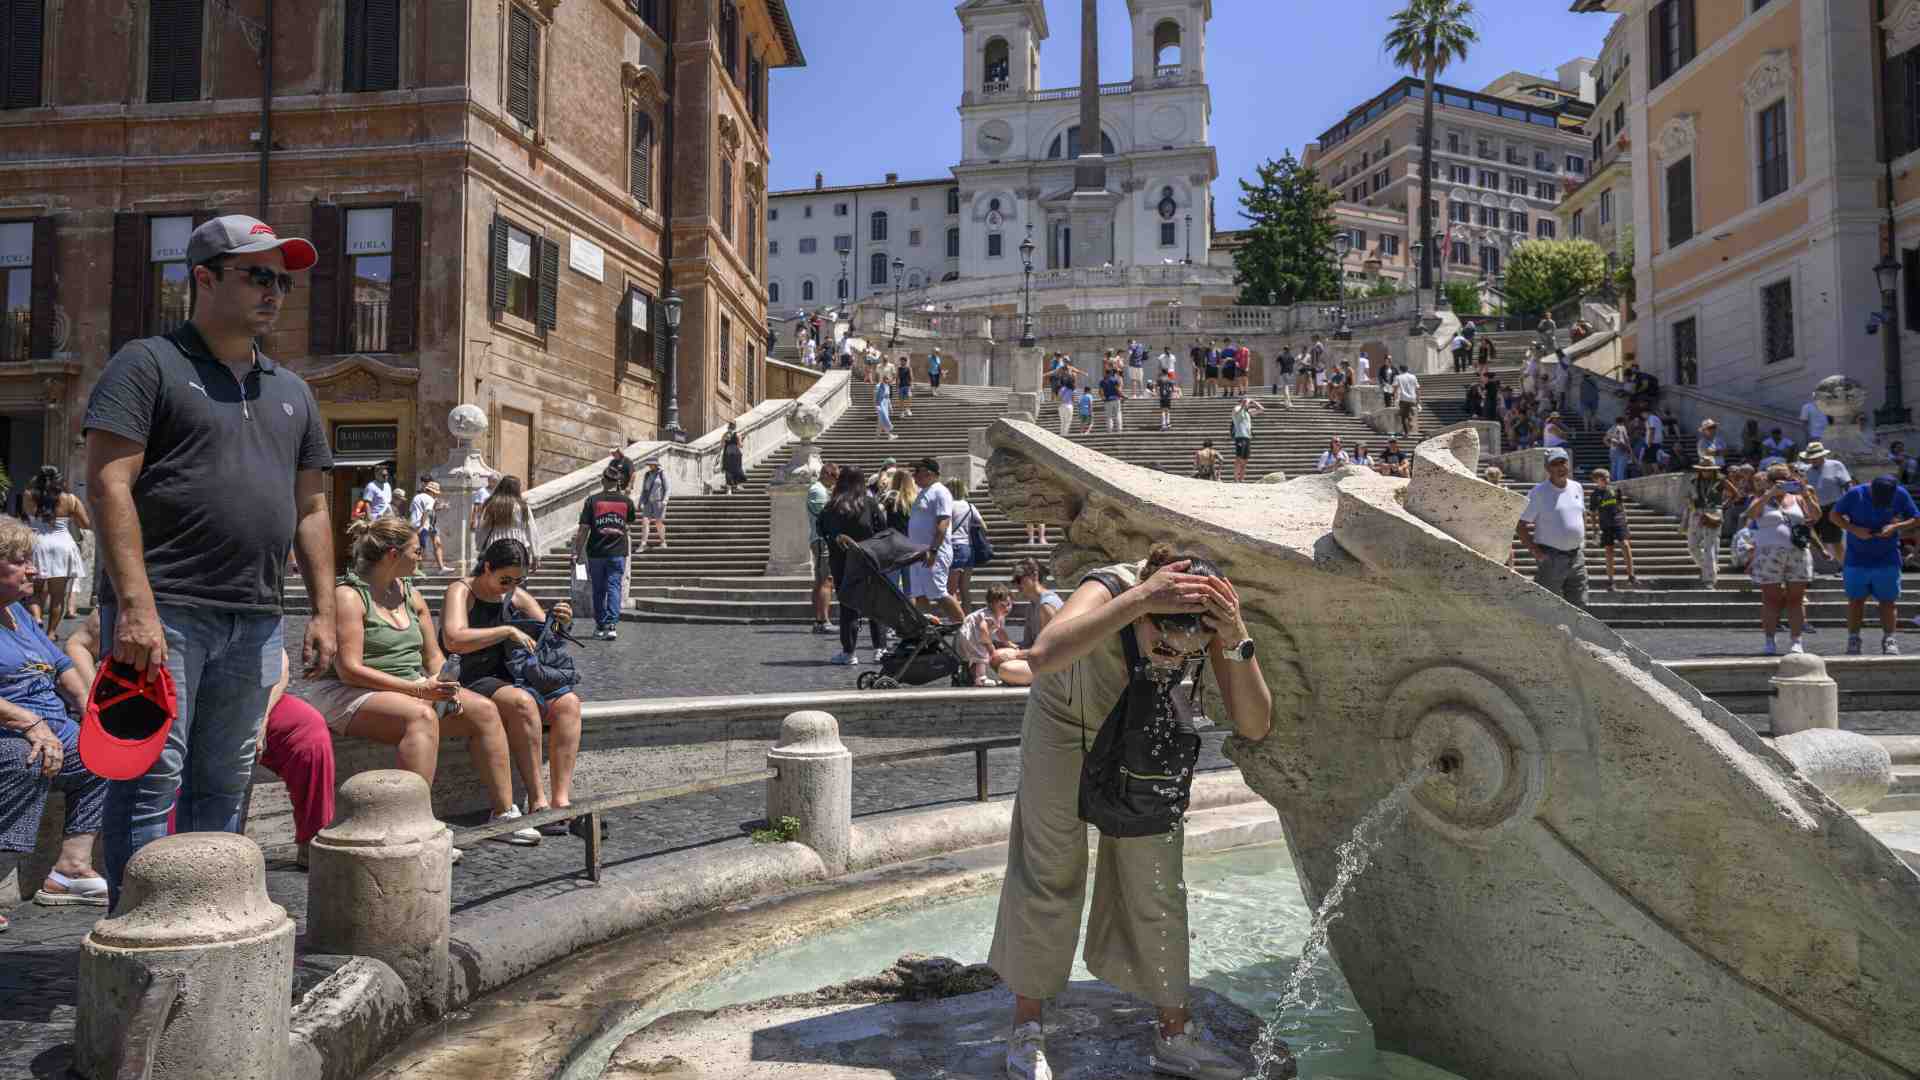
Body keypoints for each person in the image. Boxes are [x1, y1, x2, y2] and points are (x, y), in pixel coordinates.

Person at [82, 213, 336, 906]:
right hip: (165, 614)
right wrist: (134, 605)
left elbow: (312, 509)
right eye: (257, 276)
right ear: (202, 278)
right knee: (149, 782)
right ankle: (140, 929)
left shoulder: (294, 390)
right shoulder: (148, 364)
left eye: (281, 281)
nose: (274, 292)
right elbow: (108, 483)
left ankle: (205, 925)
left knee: (226, 784)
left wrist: (323, 610)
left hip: (255, 616)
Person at [991, 545, 1271, 1080]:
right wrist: (1139, 599)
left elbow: (1255, 723)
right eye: (1161, 643)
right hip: (1063, 722)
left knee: (1158, 878)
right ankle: (1027, 1028)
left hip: (1142, 732)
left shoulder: (1209, 615)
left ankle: (1175, 1033)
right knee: (1050, 868)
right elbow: (1044, 654)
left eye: (1183, 652)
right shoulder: (1116, 586)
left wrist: (1235, 637)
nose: (1171, 657)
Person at [302, 519, 531, 844]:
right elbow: (349, 670)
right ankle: (416, 828)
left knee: (484, 710)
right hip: (350, 692)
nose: (421, 557)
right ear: (394, 554)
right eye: (416, 551)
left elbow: (434, 657)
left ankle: (504, 813)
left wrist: (446, 683)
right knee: (420, 717)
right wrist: (419, 690)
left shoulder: (412, 595)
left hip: (410, 687)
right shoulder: (349, 596)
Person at [0, 518, 108, 921]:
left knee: (102, 754)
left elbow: (61, 662)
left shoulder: (17, 613)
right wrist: (30, 723)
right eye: (20, 561)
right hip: (12, 734)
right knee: (23, 760)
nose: (34, 569)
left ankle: (70, 870)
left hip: (52, 730)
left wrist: (87, 708)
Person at [442, 538, 587, 834]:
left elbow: (549, 636)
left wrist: (561, 623)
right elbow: (453, 638)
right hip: (473, 675)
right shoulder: (462, 590)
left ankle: (561, 800)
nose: (509, 587)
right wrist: (506, 630)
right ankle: (537, 801)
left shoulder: (516, 595)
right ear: (486, 568)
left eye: (518, 581)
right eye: (504, 579)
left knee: (569, 704)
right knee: (522, 702)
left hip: (514, 675)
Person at [1832, 476, 1919, 655]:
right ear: (1870, 488)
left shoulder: (1900, 494)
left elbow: (1916, 518)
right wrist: (1855, 529)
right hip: (1856, 557)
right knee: (1856, 601)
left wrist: (1895, 528)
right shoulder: (1855, 493)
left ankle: (1889, 638)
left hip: (1887, 557)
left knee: (1888, 602)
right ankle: (1854, 638)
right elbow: (1834, 515)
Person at [818, 466, 889, 666]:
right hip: (869, 559)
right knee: (875, 605)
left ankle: (849, 652)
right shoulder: (869, 503)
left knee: (848, 605)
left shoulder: (831, 506)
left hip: (841, 562)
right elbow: (882, 529)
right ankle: (880, 649)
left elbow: (821, 530)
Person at [1747, 464, 1820, 655]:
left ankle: (1796, 641)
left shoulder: (1798, 497)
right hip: (1768, 554)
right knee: (1771, 599)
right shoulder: (1761, 498)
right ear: (1769, 482)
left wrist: (1805, 493)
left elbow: (1816, 516)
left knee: (1796, 599)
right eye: (1779, 480)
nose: (1784, 483)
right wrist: (1769, 494)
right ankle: (1770, 640)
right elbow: (1751, 515)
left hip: (1797, 552)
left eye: (1787, 479)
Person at [21, 466, 90, 635]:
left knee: (34, 591)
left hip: (38, 544)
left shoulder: (29, 495)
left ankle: (37, 618)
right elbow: (85, 524)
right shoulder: (70, 499)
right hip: (62, 545)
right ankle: (51, 633)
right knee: (57, 596)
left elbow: (26, 517)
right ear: (60, 481)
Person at [1518, 448, 1589, 610]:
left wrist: (1581, 541)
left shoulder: (1577, 487)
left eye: (1563, 462)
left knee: (1580, 605)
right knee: (1547, 606)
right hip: (1551, 557)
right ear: (1547, 468)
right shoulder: (1538, 493)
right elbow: (1520, 525)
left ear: (1568, 464)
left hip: (1576, 557)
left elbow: (1581, 514)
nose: (1560, 467)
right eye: (1555, 464)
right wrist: (1536, 553)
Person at [573, 467, 636, 640]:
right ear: (618, 482)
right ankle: (612, 625)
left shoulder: (592, 501)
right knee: (614, 586)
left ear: (602, 481)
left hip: (596, 552)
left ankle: (600, 626)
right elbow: (628, 525)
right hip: (617, 552)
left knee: (598, 589)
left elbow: (583, 530)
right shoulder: (626, 502)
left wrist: (576, 552)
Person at [903, 459, 967, 625]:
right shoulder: (924, 491)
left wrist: (933, 550)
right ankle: (926, 633)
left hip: (932, 553)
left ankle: (964, 629)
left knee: (939, 592)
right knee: (920, 594)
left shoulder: (940, 492)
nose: (913, 475)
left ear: (929, 473)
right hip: (918, 553)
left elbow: (943, 523)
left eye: (917, 471)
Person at [1585, 468, 1638, 591]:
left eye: (1608, 477)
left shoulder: (1615, 490)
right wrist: (1595, 531)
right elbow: (1592, 513)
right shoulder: (1595, 495)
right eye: (1603, 478)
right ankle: (1610, 581)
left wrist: (1626, 521)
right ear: (1596, 480)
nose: (1607, 480)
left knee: (1625, 545)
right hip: (1606, 525)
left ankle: (1631, 575)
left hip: (1619, 522)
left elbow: (1621, 506)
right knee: (1609, 550)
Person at [1802, 442, 1853, 563]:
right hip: (1812, 509)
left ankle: (1843, 567)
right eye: (1811, 458)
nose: (1813, 460)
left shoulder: (1836, 465)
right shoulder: (1805, 470)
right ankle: (1813, 568)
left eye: (1815, 457)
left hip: (1833, 507)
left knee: (1836, 540)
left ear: (1822, 455)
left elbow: (1848, 485)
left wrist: (1849, 505)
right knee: (1812, 539)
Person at [956, 585, 1017, 687]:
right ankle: (981, 678)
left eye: (1009, 604)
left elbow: (1000, 631)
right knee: (982, 654)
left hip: (968, 634)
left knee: (974, 656)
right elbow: (983, 629)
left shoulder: (999, 615)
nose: (1007, 608)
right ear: (991, 604)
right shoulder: (989, 615)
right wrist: (989, 646)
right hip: (970, 634)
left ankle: (971, 675)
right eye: (1002, 605)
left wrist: (1008, 642)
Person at [474, 475, 538, 567]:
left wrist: (480, 546)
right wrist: (536, 554)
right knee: (516, 578)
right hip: (518, 546)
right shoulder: (522, 506)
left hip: (494, 546)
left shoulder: (490, 504)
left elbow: (482, 528)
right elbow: (531, 530)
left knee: (495, 577)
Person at [1685, 462, 1729, 589]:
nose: (1706, 472)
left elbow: (1735, 494)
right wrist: (1689, 501)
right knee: (1692, 545)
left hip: (1713, 513)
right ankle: (1710, 568)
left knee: (1709, 547)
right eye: (1703, 469)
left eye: (1709, 470)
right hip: (1697, 512)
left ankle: (1709, 579)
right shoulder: (1694, 481)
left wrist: (1722, 506)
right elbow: (1688, 496)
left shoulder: (1721, 480)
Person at [808, 463, 838, 636]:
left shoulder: (821, 490)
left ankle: (819, 619)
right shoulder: (818, 491)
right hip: (822, 540)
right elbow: (825, 517)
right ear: (827, 474)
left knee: (821, 580)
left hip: (820, 539)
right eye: (835, 477)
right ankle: (823, 621)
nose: (836, 481)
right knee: (826, 579)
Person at [946, 476, 983, 611]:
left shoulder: (948, 505)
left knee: (951, 590)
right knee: (964, 589)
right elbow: (982, 525)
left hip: (954, 547)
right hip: (968, 548)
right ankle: (967, 619)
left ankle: (956, 620)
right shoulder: (969, 506)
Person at [408, 480, 453, 574]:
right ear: (432, 491)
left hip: (421, 524)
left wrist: (440, 507)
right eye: (436, 493)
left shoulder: (417, 497)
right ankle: (414, 569)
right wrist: (421, 525)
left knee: (436, 543)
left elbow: (413, 510)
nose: (436, 495)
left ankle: (441, 567)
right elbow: (427, 512)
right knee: (420, 548)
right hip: (423, 525)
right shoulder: (430, 499)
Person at [1230, 397, 1266, 482]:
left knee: (1245, 459)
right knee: (1238, 457)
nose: (1248, 404)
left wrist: (1254, 401)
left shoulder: (1248, 412)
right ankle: (1236, 478)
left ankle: (1241, 478)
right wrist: (1243, 404)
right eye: (1247, 402)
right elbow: (1236, 412)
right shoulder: (1237, 409)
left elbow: (1262, 409)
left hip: (1247, 437)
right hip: (1240, 436)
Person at [637, 460, 670, 553]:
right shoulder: (647, 474)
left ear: (655, 465)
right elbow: (644, 489)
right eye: (649, 464)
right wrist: (640, 501)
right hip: (648, 502)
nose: (650, 466)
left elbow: (667, 488)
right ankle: (643, 544)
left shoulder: (662, 474)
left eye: (651, 464)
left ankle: (663, 541)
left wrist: (665, 500)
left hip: (659, 502)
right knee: (645, 522)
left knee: (658, 523)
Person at [1392, 366, 1421, 436]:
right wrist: (1418, 401)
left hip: (1403, 399)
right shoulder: (1413, 377)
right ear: (1407, 370)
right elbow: (1417, 389)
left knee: (1403, 417)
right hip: (1412, 398)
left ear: (1400, 370)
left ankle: (1406, 432)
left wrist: (1394, 398)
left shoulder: (1398, 377)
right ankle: (1410, 422)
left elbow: (1395, 388)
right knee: (1408, 413)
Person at [721, 421, 750, 489]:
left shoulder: (725, 435)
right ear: (735, 427)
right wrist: (742, 440)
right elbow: (740, 445)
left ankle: (729, 487)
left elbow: (722, 445)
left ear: (729, 426)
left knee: (728, 469)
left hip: (727, 453)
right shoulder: (737, 435)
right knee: (737, 469)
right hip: (736, 453)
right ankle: (737, 485)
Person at [1101, 364, 1126, 433]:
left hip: (1108, 400)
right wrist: (1123, 396)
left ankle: (1109, 429)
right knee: (1118, 413)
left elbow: (1101, 391)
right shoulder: (1114, 380)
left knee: (1108, 416)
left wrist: (1103, 398)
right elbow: (1117, 390)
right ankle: (1119, 429)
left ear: (1106, 373)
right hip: (1116, 399)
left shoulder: (1103, 381)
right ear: (1111, 373)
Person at [875, 376, 897, 442]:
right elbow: (876, 396)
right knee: (884, 419)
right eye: (886, 379)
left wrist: (890, 407)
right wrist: (876, 406)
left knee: (881, 422)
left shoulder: (888, 386)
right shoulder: (878, 386)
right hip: (880, 404)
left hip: (885, 404)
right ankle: (889, 435)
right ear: (884, 379)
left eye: (888, 379)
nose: (888, 380)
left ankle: (877, 437)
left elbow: (888, 397)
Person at [896, 354, 915, 419]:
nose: (902, 362)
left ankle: (908, 409)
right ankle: (902, 412)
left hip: (907, 385)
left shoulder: (908, 368)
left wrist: (912, 384)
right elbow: (897, 377)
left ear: (905, 361)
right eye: (901, 361)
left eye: (903, 361)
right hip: (901, 386)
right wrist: (897, 387)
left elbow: (911, 377)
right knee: (901, 399)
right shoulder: (899, 368)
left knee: (909, 397)